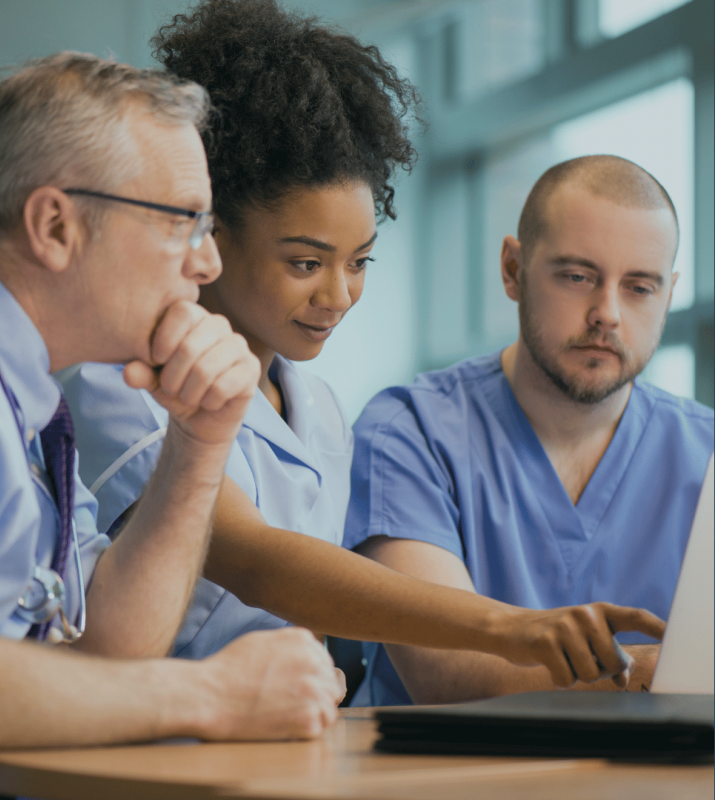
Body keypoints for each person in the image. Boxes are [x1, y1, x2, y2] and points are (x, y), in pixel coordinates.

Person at [61, 1, 665, 701]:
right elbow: (260, 562)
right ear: (212, 236)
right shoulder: (121, 382)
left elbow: (307, 623)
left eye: (360, 262)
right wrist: (507, 627)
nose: (340, 294)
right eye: (306, 263)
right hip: (141, 737)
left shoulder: (314, 406)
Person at [0, 52, 346, 799]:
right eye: (187, 222)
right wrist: (216, 696)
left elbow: (108, 652)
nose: (208, 262)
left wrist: (203, 440)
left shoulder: (17, 395)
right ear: (56, 226)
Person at [343, 154, 715, 706]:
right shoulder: (410, 431)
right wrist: (652, 671)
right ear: (513, 270)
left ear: (669, 293)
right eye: (577, 276)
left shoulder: (704, 451)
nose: (607, 313)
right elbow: (445, 673)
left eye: (640, 287)